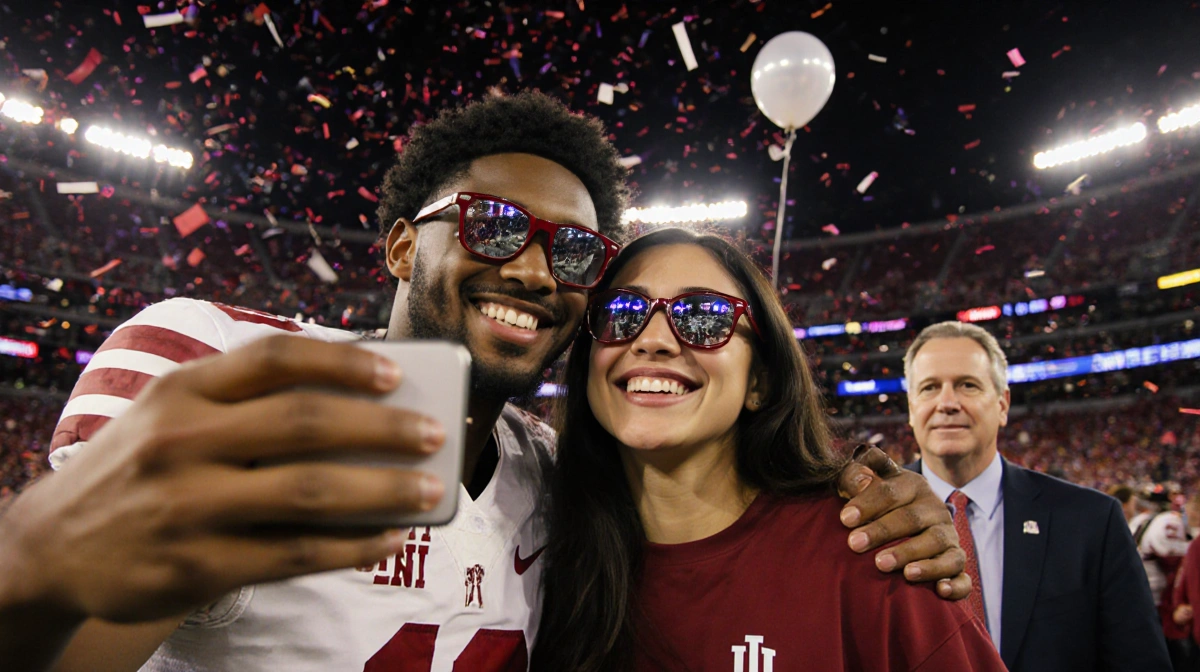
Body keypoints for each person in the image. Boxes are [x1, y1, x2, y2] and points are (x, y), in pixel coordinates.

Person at [0, 92, 969, 672]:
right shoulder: (221, 361)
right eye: (493, 226)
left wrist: (866, 493)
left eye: (576, 252)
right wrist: (33, 568)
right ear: (394, 248)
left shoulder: (555, 484)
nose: (537, 273)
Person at [532, 229, 1006, 671]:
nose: (653, 340)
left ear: (759, 380)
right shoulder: (538, 553)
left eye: (704, 317)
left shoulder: (872, 549)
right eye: (622, 312)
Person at [901, 320, 1172, 672]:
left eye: (968, 385)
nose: (947, 402)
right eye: (929, 388)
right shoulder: (864, 521)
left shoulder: (1090, 520)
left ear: (1002, 404)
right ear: (910, 409)